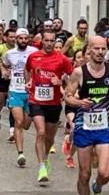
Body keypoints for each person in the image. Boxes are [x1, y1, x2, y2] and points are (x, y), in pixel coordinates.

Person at [64, 36, 109, 195]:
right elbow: (67, 96)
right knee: (84, 173)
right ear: (89, 50)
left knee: (105, 173)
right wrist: (79, 103)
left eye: (103, 48)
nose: (100, 52)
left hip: (104, 126)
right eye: (96, 48)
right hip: (84, 127)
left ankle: (98, 187)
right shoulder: (79, 72)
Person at [26, 28, 73, 182]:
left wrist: (61, 82)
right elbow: (27, 69)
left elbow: (72, 77)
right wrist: (29, 81)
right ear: (42, 41)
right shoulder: (33, 56)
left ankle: (45, 158)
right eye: (46, 40)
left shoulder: (62, 59)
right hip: (36, 100)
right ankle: (41, 167)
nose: (49, 43)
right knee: (40, 132)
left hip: (54, 102)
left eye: (52, 41)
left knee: (50, 137)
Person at [2, 28, 38, 166]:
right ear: (16, 39)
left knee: (27, 124)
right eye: (20, 38)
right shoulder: (9, 54)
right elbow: (4, 65)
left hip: (30, 92)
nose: (23, 40)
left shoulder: (34, 52)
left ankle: (20, 141)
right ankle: (20, 153)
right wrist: (5, 72)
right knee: (18, 122)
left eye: (25, 38)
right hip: (15, 91)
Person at [0, 28, 17, 140]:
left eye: (15, 37)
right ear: (5, 38)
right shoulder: (0, 48)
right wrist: (1, 66)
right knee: (0, 102)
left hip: (14, 81)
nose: (13, 39)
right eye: (11, 37)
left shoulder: (19, 50)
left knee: (12, 105)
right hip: (1, 80)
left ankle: (12, 131)